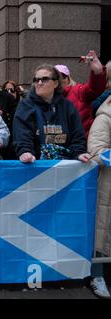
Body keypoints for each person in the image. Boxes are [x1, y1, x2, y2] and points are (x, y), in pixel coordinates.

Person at [13, 64, 90, 163]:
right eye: (36, 80)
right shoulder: (26, 106)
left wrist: (79, 153)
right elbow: (21, 133)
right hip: (34, 164)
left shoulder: (67, 106)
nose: (39, 83)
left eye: (45, 79)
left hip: (64, 166)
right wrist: (25, 151)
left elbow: (77, 134)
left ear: (56, 83)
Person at [87, 94, 111, 298]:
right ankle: (97, 275)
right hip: (108, 186)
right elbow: (96, 152)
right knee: (102, 232)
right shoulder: (105, 117)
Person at [54, 50, 107, 136]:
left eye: (62, 76)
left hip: (81, 143)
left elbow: (94, 89)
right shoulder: (48, 97)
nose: (60, 80)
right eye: (56, 77)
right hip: (56, 145)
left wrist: (98, 73)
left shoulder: (79, 90)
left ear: (68, 79)